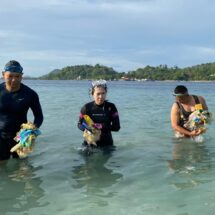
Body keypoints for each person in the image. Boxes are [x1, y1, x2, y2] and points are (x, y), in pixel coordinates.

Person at [0, 60, 44, 160]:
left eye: (17, 76)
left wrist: (33, 129)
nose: (14, 80)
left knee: (22, 169)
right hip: (0, 136)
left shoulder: (30, 94)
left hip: (22, 137)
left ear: (21, 76)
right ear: (3, 74)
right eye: (10, 76)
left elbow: (39, 116)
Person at [77, 80, 120, 148]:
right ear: (92, 94)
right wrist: (88, 128)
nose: (101, 96)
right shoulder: (86, 108)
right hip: (89, 143)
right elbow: (79, 124)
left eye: (103, 93)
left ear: (106, 93)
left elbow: (117, 127)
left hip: (107, 145)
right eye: (98, 94)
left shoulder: (111, 107)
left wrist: (101, 126)